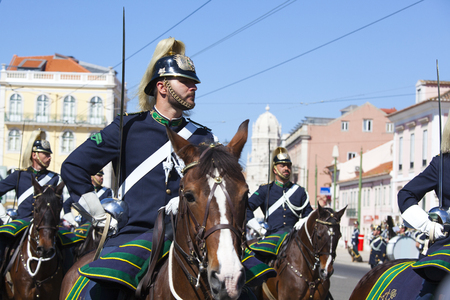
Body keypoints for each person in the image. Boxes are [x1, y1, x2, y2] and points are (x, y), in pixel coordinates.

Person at [60, 37, 227, 299]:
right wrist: (99, 215)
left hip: (193, 239)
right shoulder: (127, 128)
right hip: (135, 234)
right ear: (162, 87)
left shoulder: (204, 138)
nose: (194, 86)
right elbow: (73, 167)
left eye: (193, 81)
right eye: (185, 81)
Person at [397, 112, 450, 299]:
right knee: (427, 295)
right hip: (448, 245)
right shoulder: (442, 164)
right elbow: (406, 194)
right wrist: (428, 225)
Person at [0, 130, 61, 265]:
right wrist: (4, 217)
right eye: (45, 154)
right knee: (2, 242)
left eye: (49, 154)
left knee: (66, 247)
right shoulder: (19, 175)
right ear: (35, 155)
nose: (49, 157)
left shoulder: (54, 178)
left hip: (46, 225)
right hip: (23, 222)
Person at [246, 147, 313, 238]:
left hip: (294, 238)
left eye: (288, 165)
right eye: (282, 165)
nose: (286, 168)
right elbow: (247, 208)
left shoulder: (300, 191)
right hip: (271, 237)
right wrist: (259, 229)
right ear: (274, 170)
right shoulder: (265, 190)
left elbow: (309, 215)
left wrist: (303, 222)